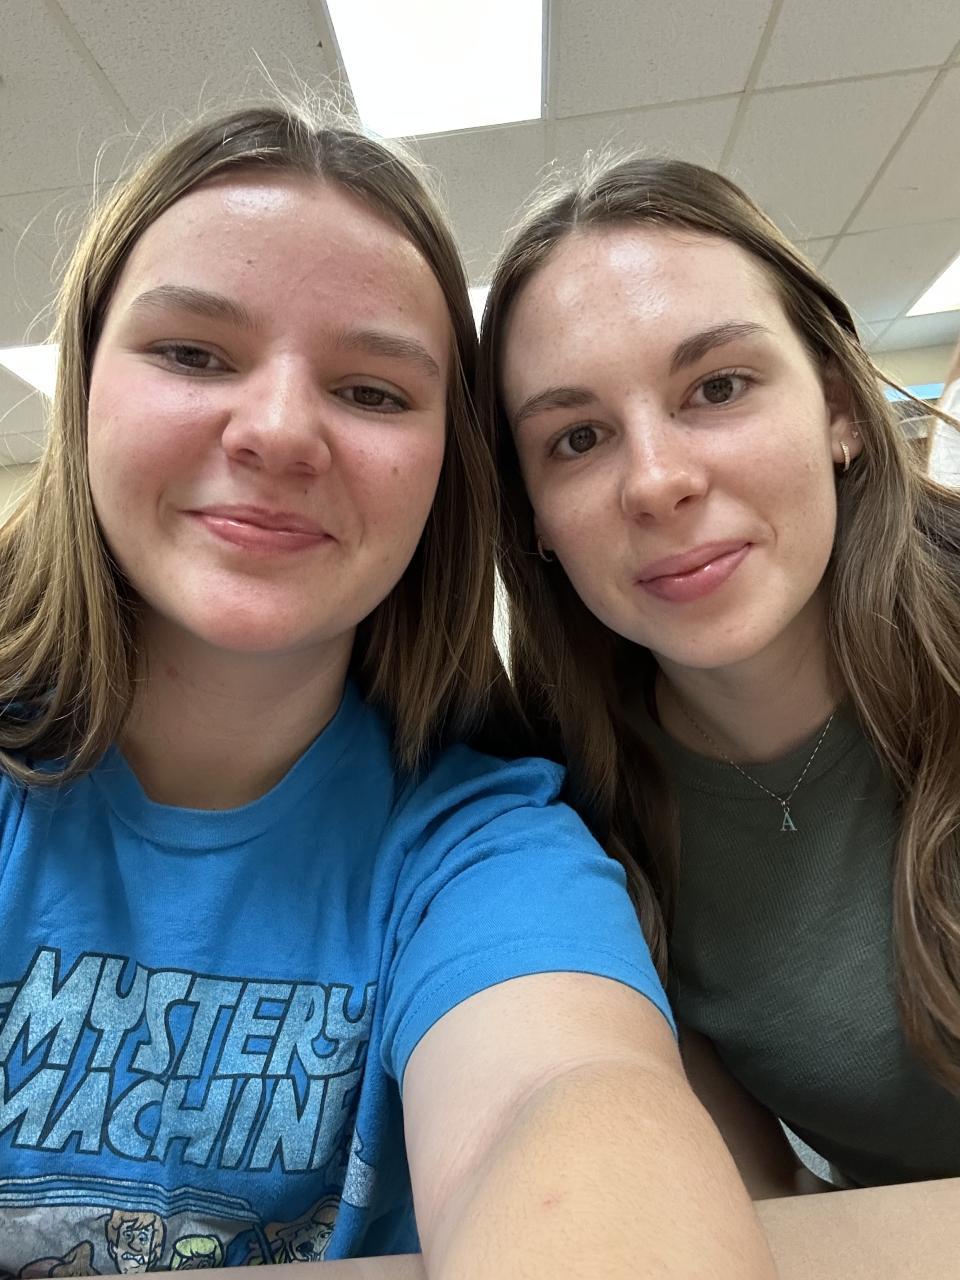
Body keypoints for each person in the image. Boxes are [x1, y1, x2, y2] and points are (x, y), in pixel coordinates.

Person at [0, 108, 775, 1278]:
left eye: (371, 391)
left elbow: (563, 1090)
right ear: (84, 386)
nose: (277, 432)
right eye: (193, 353)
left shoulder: (482, 839)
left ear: (446, 474)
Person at [478, 153, 960, 1195]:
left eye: (719, 387)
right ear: (534, 517)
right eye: (578, 437)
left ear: (838, 407)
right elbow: (769, 1199)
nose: (657, 482)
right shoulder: (568, 801)